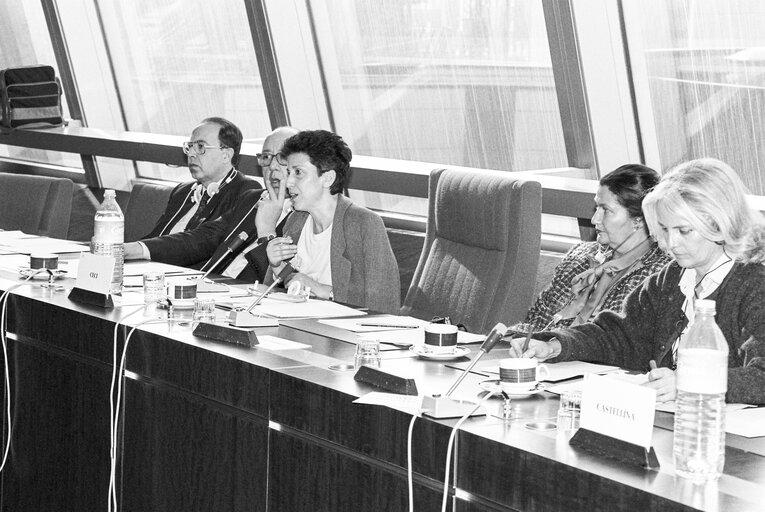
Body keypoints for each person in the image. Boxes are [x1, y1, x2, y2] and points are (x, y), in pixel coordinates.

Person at [510, 158, 765, 405]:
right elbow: (618, 335)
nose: (671, 243)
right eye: (664, 230)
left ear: (719, 224)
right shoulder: (674, 277)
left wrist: (688, 383)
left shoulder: (755, 284)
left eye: (684, 231)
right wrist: (554, 346)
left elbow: (761, 377)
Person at [510, 164, 671, 333]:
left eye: (606, 210)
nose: (595, 219)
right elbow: (534, 321)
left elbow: (621, 342)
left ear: (639, 218)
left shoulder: (660, 273)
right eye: (596, 207)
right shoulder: (579, 256)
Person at [124, 127, 298, 282]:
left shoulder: (303, 212)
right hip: (209, 287)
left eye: (282, 158)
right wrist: (134, 249)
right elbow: (204, 238)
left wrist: (267, 232)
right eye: (266, 157)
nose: (273, 166)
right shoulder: (252, 198)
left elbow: (280, 277)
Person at [262, 129, 400, 314]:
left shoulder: (364, 225)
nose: (288, 182)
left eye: (298, 173)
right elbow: (274, 294)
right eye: (289, 172)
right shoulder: (296, 220)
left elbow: (384, 306)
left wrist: (321, 289)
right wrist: (277, 266)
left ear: (327, 178)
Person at [143, 117, 260, 238]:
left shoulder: (245, 190)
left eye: (200, 147)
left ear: (226, 155)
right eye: (190, 146)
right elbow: (154, 237)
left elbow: (209, 243)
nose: (191, 154)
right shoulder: (182, 191)